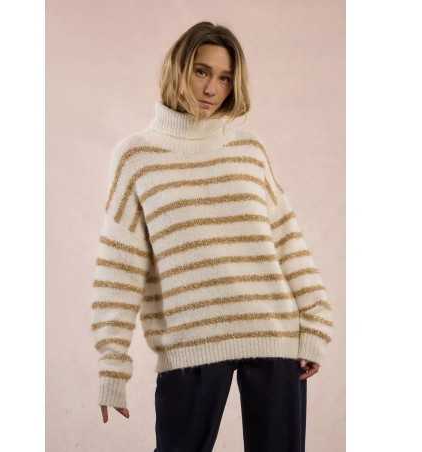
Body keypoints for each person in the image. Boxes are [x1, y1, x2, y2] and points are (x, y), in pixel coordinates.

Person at [90, 21, 334, 452]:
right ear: (178, 68)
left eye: (224, 78)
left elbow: (287, 240)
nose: (211, 89)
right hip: (189, 341)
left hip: (273, 333)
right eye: (202, 71)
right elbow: (119, 267)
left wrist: (315, 322)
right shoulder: (136, 157)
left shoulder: (248, 151)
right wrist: (113, 364)